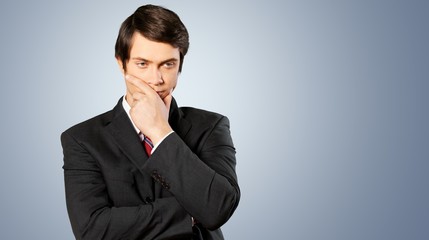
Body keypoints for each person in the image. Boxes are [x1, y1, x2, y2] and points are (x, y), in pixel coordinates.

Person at [60, 4, 240, 240]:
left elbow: (218, 208)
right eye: (142, 64)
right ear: (121, 63)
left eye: (168, 64)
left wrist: (160, 131)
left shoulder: (210, 126)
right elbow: (92, 230)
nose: (156, 80)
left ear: (180, 65)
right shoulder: (82, 139)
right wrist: (190, 213)